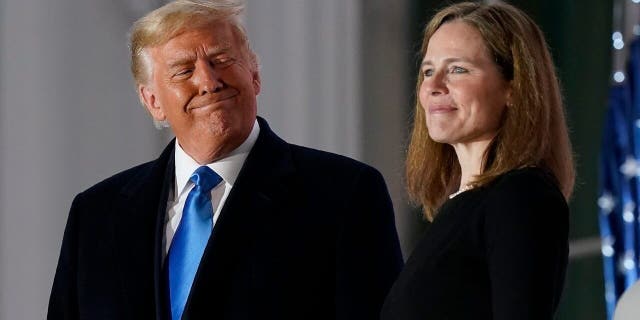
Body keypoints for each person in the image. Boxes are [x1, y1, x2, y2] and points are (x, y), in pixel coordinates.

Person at [47, 1, 403, 319]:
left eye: (221, 60)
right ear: (153, 100)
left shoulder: (344, 194)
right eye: (183, 70)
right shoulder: (95, 215)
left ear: (255, 74)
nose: (209, 81)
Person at [380, 2, 574, 320]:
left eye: (458, 69)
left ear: (513, 87)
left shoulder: (521, 197)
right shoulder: (461, 207)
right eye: (428, 71)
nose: (432, 86)